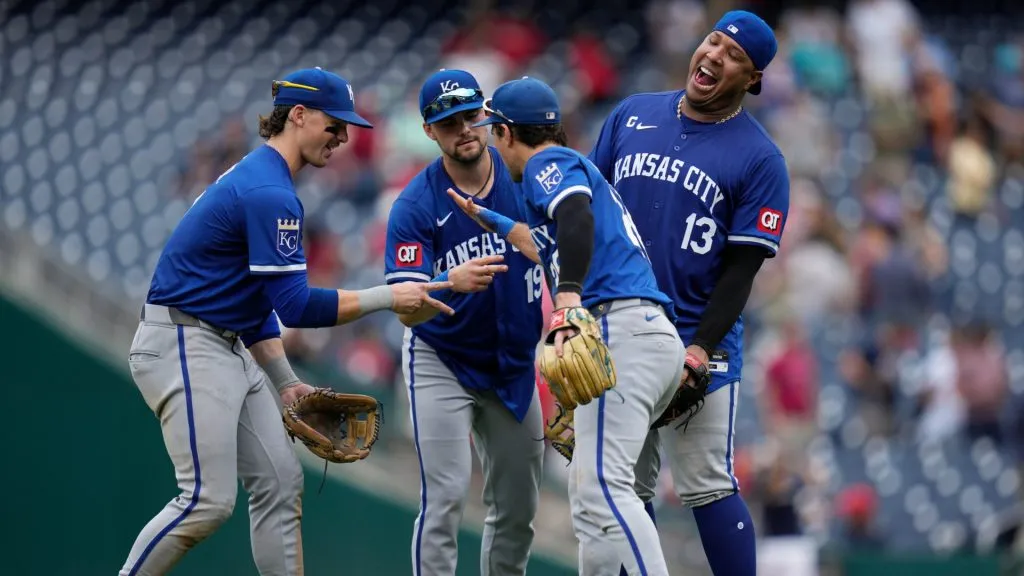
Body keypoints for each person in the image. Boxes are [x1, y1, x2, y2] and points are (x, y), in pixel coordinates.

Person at [120, 67, 454, 576]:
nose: (343, 136)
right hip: (184, 342)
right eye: (334, 123)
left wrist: (286, 382)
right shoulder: (268, 191)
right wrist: (388, 296)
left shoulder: (264, 179)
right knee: (206, 501)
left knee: (280, 482)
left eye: (348, 127)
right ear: (297, 115)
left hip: (222, 341)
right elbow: (294, 307)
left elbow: (252, 302)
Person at [452, 76, 687, 576]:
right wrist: (491, 219)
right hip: (642, 333)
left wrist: (566, 298)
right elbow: (550, 240)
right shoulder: (565, 170)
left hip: (621, 328)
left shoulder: (547, 162)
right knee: (591, 495)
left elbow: (575, 218)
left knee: (604, 486)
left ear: (509, 133)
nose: (493, 141)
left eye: (495, 131)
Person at [587, 11, 790, 575]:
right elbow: (588, 215)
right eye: (713, 42)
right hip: (619, 326)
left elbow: (742, 269)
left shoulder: (761, 158)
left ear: (752, 81)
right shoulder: (632, 114)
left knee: (705, 482)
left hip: (701, 337)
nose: (715, 57)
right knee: (625, 483)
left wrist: (699, 348)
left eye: (734, 57)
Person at [384, 69, 546, 576]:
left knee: (519, 512)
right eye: (449, 122)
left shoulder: (526, 178)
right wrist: (447, 281)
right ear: (430, 131)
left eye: (472, 116)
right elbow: (405, 305)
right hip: (443, 358)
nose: (465, 130)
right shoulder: (415, 205)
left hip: (514, 365)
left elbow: (574, 247)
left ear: (488, 114)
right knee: (446, 499)